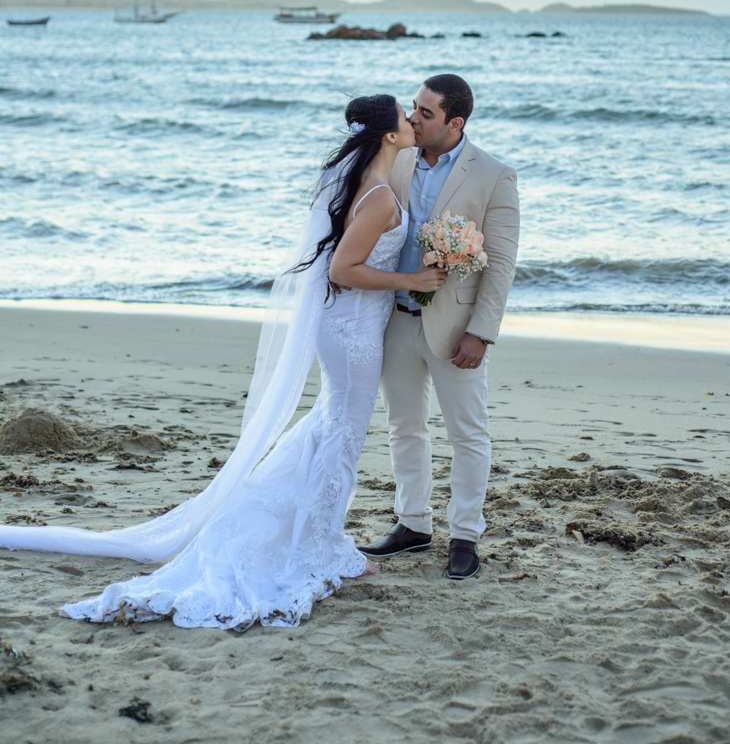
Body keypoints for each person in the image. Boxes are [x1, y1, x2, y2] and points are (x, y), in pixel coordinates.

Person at [0, 94, 446, 629]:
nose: (411, 120)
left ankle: (317, 536)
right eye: (404, 115)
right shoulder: (376, 197)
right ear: (389, 135)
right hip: (352, 330)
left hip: (351, 328)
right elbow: (343, 270)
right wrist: (413, 281)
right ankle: (320, 549)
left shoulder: (370, 183)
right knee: (344, 437)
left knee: (331, 429)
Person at [360, 74, 520, 580]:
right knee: (404, 427)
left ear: (456, 122)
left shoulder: (494, 175)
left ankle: (465, 535)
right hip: (394, 319)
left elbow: (501, 264)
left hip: (456, 329)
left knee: (467, 434)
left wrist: (482, 331)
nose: (412, 118)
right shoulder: (398, 160)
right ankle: (413, 523)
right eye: (413, 108)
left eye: (425, 113)